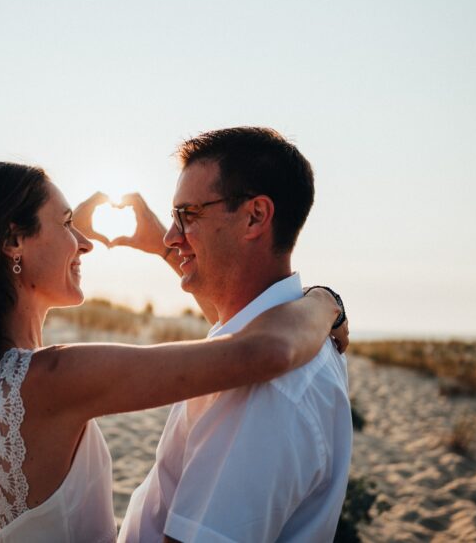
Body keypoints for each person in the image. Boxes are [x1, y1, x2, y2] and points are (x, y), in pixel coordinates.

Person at [0, 161, 347, 543]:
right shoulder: (55, 378)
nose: (84, 242)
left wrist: (160, 247)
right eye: (67, 224)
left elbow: (227, 331)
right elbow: (261, 351)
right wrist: (325, 301)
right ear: (13, 242)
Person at [82, 127, 352, 543]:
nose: (174, 236)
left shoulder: (258, 391)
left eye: (187, 215)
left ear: (255, 217)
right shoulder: (286, 331)